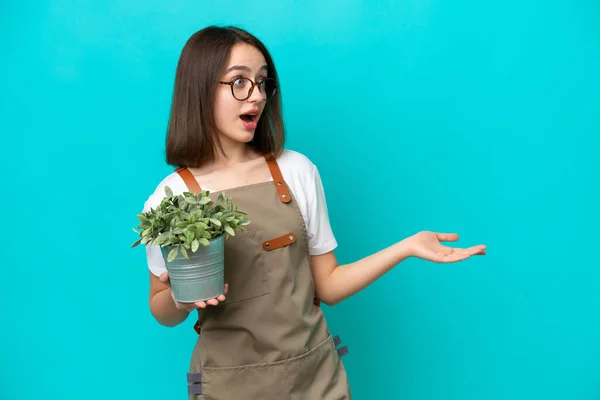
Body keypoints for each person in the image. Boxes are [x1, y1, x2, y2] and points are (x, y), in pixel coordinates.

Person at [143, 25, 487, 400]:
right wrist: (180, 298)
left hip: (315, 380)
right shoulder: (171, 197)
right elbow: (161, 308)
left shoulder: (296, 171)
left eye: (262, 82)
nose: (255, 96)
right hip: (228, 386)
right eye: (238, 82)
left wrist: (405, 247)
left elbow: (329, 285)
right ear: (199, 89)